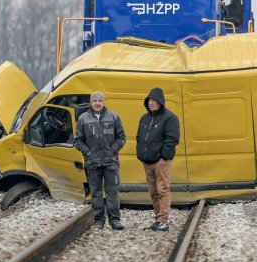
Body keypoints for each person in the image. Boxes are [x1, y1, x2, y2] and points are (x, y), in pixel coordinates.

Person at [74, 91, 127, 230]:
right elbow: (78, 141)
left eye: (100, 101)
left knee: (112, 192)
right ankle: (99, 221)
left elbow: (122, 137)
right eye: (95, 101)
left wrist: (112, 150)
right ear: (91, 103)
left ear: (103, 102)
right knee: (96, 192)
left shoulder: (114, 117)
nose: (97, 103)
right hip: (93, 163)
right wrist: (89, 153)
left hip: (111, 163)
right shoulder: (83, 119)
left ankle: (115, 220)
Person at [136, 87, 180, 231]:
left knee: (162, 190)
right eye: (150, 100)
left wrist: (164, 156)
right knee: (153, 192)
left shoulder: (170, 117)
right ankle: (157, 219)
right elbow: (139, 137)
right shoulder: (144, 118)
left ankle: (164, 221)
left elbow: (172, 139)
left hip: (161, 162)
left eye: (154, 100)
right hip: (147, 161)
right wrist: (140, 153)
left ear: (161, 102)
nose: (152, 103)